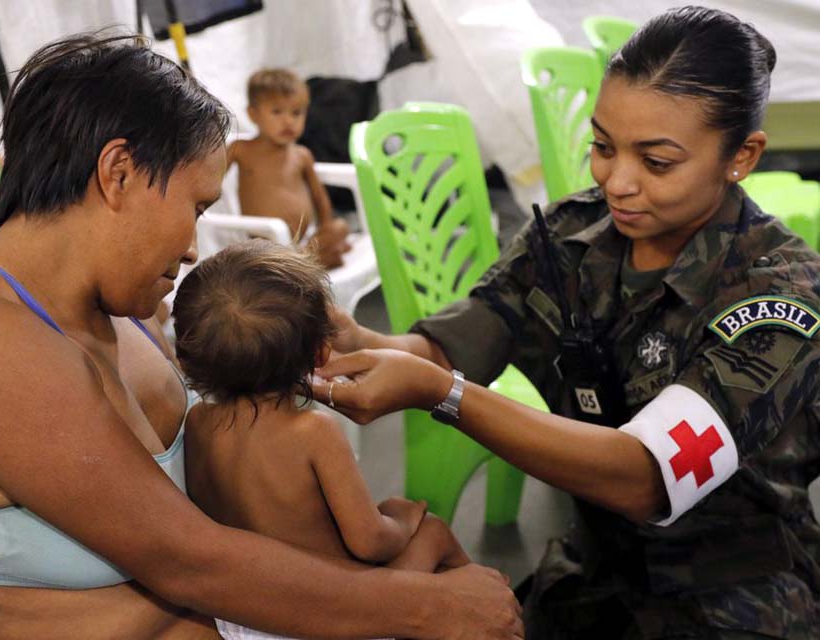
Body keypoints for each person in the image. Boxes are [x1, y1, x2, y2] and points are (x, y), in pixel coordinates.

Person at [0, 33, 521, 640]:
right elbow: (189, 559)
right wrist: (422, 608)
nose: (193, 247)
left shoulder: (116, 308)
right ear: (119, 173)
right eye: (195, 206)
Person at [314, 7, 820, 639]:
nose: (618, 181)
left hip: (734, 599)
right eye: (603, 146)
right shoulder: (568, 237)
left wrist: (438, 395)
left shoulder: (778, 296)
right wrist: (361, 341)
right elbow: (465, 337)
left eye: (657, 162)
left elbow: (647, 475)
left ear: (740, 156)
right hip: (597, 574)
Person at [175, 239, 470, 639]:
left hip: (245, 620)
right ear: (321, 351)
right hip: (329, 619)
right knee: (432, 533)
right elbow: (369, 543)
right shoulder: (313, 433)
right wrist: (404, 518)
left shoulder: (195, 423)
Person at [227, 68, 351, 268]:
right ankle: (313, 259)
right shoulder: (242, 150)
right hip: (264, 241)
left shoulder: (302, 155)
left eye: (296, 113)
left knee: (340, 227)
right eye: (277, 112)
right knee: (329, 250)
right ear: (253, 114)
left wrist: (327, 224)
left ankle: (305, 259)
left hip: (303, 240)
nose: (288, 121)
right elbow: (210, 175)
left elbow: (319, 196)